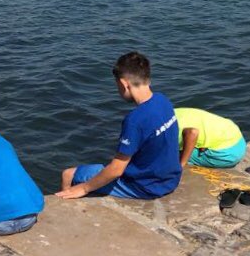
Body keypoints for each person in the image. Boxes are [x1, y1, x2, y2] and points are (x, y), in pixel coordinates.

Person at [57, 52, 182, 200]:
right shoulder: (163, 100)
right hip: (170, 179)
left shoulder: (135, 120)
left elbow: (116, 170)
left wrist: (84, 188)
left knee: (68, 174)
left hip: (145, 186)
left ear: (124, 84)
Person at [175, 107, 246, 168]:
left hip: (228, 154)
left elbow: (192, 132)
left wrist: (181, 165)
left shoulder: (171, 129)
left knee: (173, 155)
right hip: (237, 138)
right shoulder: (174, 112)